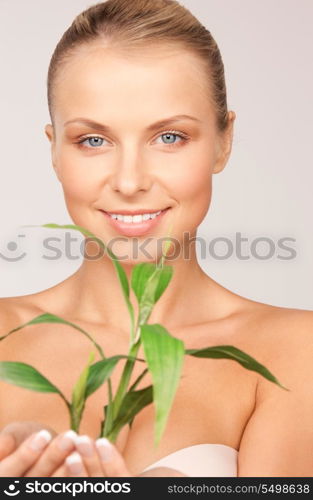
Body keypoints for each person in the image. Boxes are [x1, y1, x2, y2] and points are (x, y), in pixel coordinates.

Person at [0, 0, 312, 478]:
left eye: (169, 137)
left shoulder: (296, 351)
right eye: (93, 140)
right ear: (55, 151)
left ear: (223, 141)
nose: (129, 181)